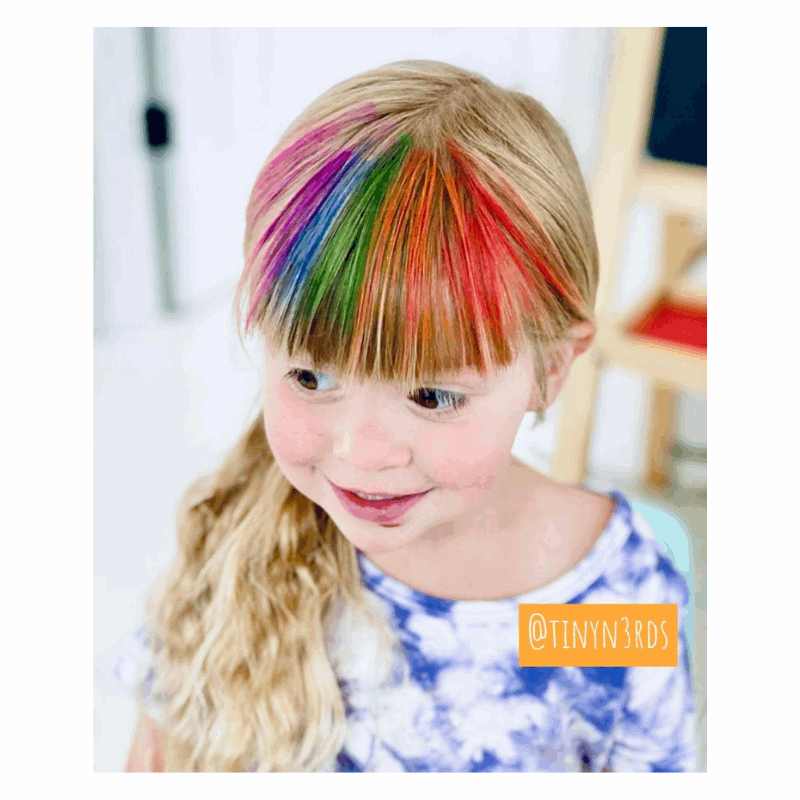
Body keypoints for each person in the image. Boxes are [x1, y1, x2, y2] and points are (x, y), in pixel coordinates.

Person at [116, 59, 696, 772]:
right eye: (311, 375)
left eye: (431, 396)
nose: (362, 452)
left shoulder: (600, 607)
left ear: (551, 366)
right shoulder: (235, 536)